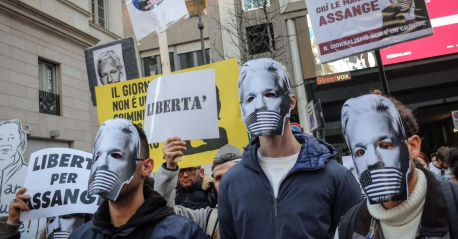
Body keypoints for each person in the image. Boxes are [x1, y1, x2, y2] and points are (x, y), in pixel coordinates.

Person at [218, 58, 362, 238]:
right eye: (250, 98)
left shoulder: (336, 177)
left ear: (291, 101)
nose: (259, 105)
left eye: (269, 94)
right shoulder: (232, 182)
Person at [337, 93, 458, 239]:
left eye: (385, 146)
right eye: (360, 152)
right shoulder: (348, 228)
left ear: (413, 147)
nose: (372, 160)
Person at [69, 119, 206, 239]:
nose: (103, 164)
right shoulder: (80, 235)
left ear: (146, 167)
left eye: (116, 155)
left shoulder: (183, 234)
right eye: (97, 156)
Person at [155, 141, 242, 239]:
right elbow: (165, 212)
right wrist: (169, 167)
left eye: (231, 175)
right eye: (219, 178)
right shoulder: (207, 219)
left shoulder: (261, 212)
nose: (225, 183)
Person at [0, 120, 29, 216]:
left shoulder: (29, 174)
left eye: (12, 138)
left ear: (20, 140)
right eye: (1, 139)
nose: (5, 143)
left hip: (19, 229)